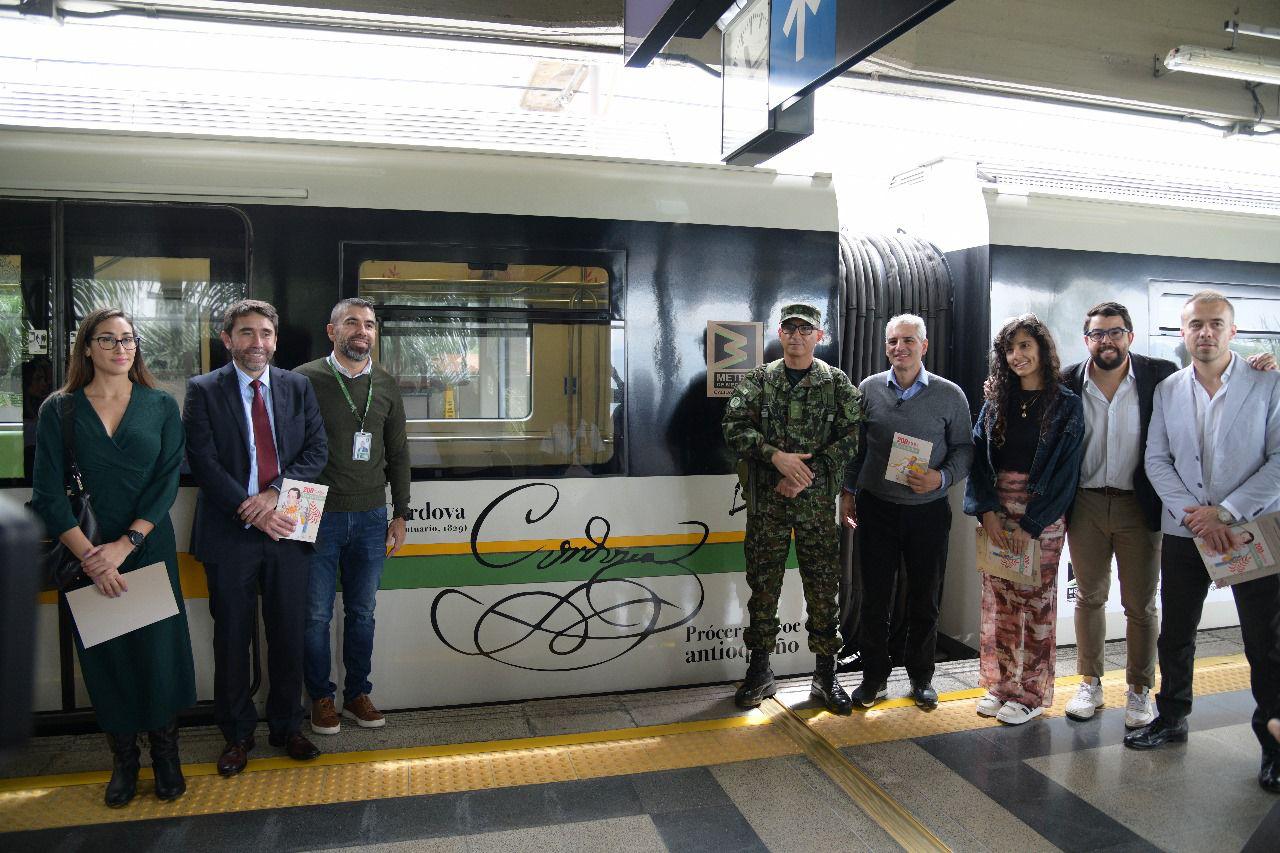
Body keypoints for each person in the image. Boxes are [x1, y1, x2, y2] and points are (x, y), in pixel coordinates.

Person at [30, 308, 195, 807]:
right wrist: (92, 558)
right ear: (87, 348)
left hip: (147, 549)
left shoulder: (161, 405)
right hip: (87, 553)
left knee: (157, 655)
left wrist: (126, 546)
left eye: (129, 339)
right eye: (108, 339)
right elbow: (47, 495)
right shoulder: (59, 409)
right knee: (108, 658)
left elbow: (167, 482)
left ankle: (166, 756)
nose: (121, 348)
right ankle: (124, 761)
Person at [1126, 290, 1280, 796]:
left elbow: (1278, 460)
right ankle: (1172, 717)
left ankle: (1273, 741)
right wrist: (1199, 519)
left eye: (1216, 324)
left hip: (1250, 528)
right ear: (1183, 332)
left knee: (1266, 642)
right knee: (1177, 630)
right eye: (1195, 325)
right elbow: (1156, 460)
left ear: (1233, 331)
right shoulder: (1168, 390)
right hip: (1185, 530)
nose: (1205, 332)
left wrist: (1226, 512)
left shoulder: (1268, 383)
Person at [183, 298, 328, 777]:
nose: (257, 342)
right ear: (228, 340)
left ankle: (287, 726)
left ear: (275, 339)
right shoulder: (203, 390)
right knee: (232, 637)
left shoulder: (297, 387)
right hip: (230, 533)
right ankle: (237, 734)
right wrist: (251, 509)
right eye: (246, 333)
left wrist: (272, 497)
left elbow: (316, 450)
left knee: (288, 631)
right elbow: (203, 461)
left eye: (265, 333)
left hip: (288, 525)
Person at [723, 303, 863, 715]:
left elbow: (853, 436)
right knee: (763, 590)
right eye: (790, 328)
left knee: (823, 591)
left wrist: (804, 472)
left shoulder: (836, 384)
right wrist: (773, 456)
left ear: (819, 336)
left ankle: (824, 676)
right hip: (768, 506)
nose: (797, 336)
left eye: (806, 329)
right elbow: (733, 427)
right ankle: (760, 672)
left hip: (818, 508)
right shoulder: (759, 380)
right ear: (780, 334)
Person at [840, 314, 973, 710]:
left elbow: (965, 449)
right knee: (875, 597)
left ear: (924, 345)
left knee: (924, 598)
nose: (901, 347)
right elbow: (856, 447)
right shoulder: (868, 390)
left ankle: (921, 678)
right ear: (886, 347)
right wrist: (848, 491)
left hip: (927, 512)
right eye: (894, 341)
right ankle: (874, 678)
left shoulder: (951, 395)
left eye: (909, 340)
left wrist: (942, 478)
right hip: (876, 509)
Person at [1058, 302, 1177, 729]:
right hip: (1086, 502)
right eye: (1097, 334)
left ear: (1130, 335)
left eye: (1114, 332)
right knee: (1089, 597)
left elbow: (1208, 382)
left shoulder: (1159, 375)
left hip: (1139, 504)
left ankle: (1140, 689)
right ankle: (1089, 682)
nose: (1106, 340)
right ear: (1086, 338)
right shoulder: (1068, 380)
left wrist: (1259, 367)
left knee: (1140, 604)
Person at [296, 298, 410, 735]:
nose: (362, 331)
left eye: (369, 325)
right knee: (314, 616)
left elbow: (398, 453)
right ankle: (321, 699)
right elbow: (287, 449)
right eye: (352, 323)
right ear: (332, 331)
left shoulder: (385, 383)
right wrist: (291, 514)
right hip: (313, 513)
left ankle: (358, 693)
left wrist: (400, 514)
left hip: (369, 516)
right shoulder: (303, 380)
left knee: (362, 611)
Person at [964, 314, 1084, 725]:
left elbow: (1067, 472)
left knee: (1035, 605)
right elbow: (977, 460)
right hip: (996, 514)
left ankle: (1030, 694)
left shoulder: (1066, 404)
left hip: (1041, 517)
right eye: (1010, 349)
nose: (1017, 356)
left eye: (1025, 347)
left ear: (1042, 350)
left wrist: (1031, 525)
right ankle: (1002, 686)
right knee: (999, 602)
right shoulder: (996, 400)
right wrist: (988, 512)